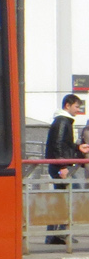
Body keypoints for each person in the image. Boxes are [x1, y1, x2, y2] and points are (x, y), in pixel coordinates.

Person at [44, 93, 86, 245]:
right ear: (67, 106)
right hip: (61, 166)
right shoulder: (63, 122)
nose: (78, 110)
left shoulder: (62, 121)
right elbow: (58, 145)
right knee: (66, 198)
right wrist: (63, 166)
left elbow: (62, 144)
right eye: (76, 107)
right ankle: (59, 233)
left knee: (61, 199)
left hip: (59, 165)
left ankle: (55, 234)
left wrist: (77, 148)